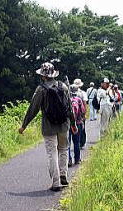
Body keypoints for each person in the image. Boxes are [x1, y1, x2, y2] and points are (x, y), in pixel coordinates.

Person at [18, 62, 76, 192]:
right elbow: (70, 108)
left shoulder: (41, 89)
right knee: (63, 150)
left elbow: (33, 109)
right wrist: (73, 124)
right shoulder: (63, 87)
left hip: (48, 126)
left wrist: (24, 125)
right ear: (54, 74)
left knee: (52, 153)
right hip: (63, 125)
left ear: (43, 76)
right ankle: (63, 175)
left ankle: (56, 183)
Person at [68, 84, 85, 167]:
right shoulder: (78, 100)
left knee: (67, 143)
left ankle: (68, 159)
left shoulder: (67, 100)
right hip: (77, 123)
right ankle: (77, 159)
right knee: (76, 142)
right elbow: (82, 111)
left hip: (67, 124)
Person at [73, 79, 87, 149]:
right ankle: (82, 142)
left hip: (72, 115)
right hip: (80, 114)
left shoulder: (70, 93)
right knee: (82, 128)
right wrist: (84, 114)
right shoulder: (83, 93)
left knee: (73, 129)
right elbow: (84, 103)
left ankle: (76, 143)